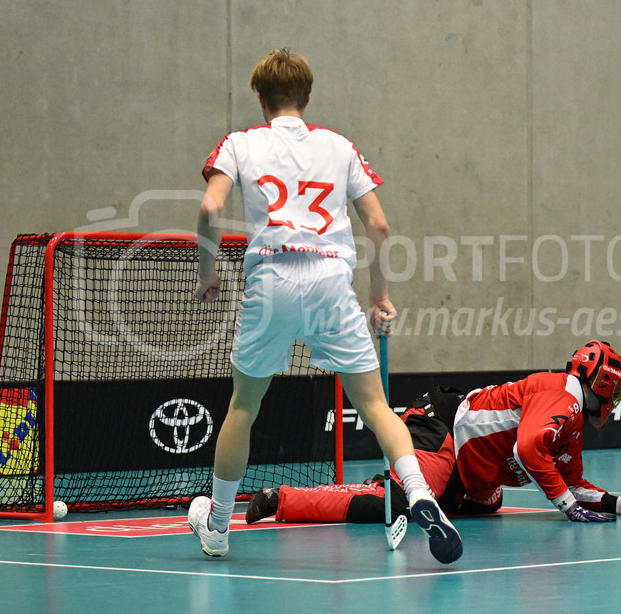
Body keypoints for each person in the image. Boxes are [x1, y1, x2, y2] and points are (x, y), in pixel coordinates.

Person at [190, 49, 462, 563]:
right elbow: (379, 225)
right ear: (308, 97)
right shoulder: (338, 146)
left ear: (259, 98)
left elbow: (209, 207)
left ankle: (219, 526)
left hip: (270, 279)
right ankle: (420, 492)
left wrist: (209, 275)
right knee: (377, 406)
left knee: (243, 408)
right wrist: (379, 296)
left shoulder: (239, 144)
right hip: (330, 282)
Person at [243, 342, 621, 526]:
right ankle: (281, 499)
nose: (615, 399)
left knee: (491, 500)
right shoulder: (564, 394)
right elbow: (527, 449)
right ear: (598, 383)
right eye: (615, 389)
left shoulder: (571, 422)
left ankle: (412, 488)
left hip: (465, 467)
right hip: (441, 426)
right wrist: (566, 507)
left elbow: (574, 482)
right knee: (397, 506)